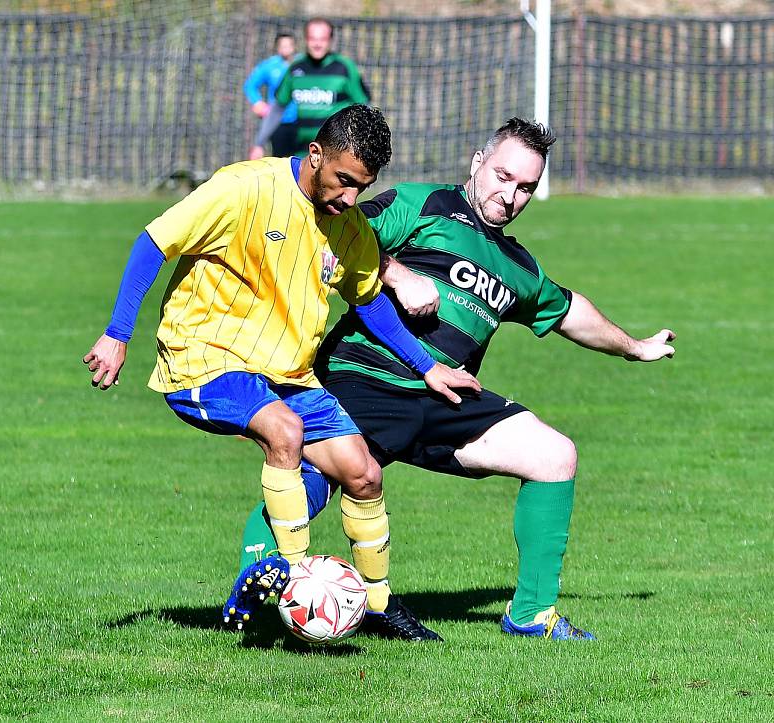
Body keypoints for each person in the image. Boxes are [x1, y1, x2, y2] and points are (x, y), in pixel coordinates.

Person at [235, 118, 677, 642]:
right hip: (369, 376)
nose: (510, 194)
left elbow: (569, 310)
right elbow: (340, 233)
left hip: (447, 397)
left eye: (526, 187)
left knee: (554, 456)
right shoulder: (424, 206)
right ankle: (256, 588)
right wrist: (397, 276)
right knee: (320, 473)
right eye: (502, 175)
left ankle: (531, 614)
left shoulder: (518, 265)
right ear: (477, 162)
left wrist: (634, 348)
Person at [82, 105, 479, 632]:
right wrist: (117, 334)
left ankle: (380, 606)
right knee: (284, 431)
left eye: (361, 187)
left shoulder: (349, 226)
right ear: (315, 154)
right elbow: (153, 242)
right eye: (342, 181)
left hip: (287, 373)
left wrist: (426, 365)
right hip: (204, 357)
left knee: (363, 474)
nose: (349, 199)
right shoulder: (243, 189)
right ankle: (297, 586)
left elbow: (369, 298)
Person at [249, 17, 370, 159]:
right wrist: (259, 143)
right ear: (306, 39)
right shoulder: (295, 68)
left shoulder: (344, 68)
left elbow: (364, 107)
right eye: (313, 38)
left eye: (323, 39)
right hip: (303, 154)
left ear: (331, 40)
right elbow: (277, 109)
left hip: (336, 155)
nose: (317, 44)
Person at [242, 32, 300, 158]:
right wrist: (257, 102)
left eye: (289, 45)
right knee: (281, 159)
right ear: (277, 47)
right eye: (282, 45)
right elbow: (250, 85)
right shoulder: (269, 66)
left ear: (294, 46)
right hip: (278, 121)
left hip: (301, 120)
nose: (286, 48)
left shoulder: (301, 64)